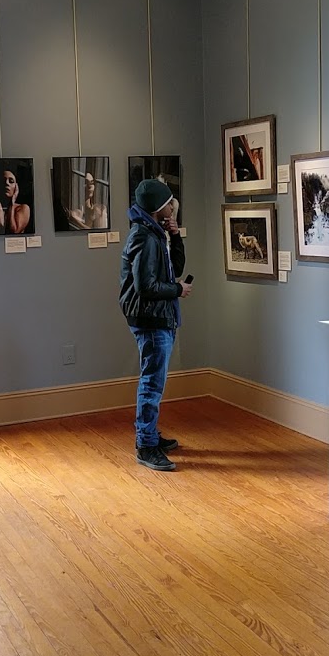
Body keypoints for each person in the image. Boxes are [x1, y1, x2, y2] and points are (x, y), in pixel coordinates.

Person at [120, 178, 193, 471]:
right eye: (168, 204)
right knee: (152, 382)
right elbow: (146, 286)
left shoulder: (154, 232)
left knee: (154, 380)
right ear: (157, 208)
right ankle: (146, 445)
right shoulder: (144, 237)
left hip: (158, 315)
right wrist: (178, 290)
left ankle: (149, 435)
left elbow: (176, 268)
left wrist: (175, 235)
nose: (172, 208)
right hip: (150, 318)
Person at [0, 168, 30, 234]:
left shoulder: (23, 208)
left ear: (16, 187)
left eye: (11, 181)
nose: (7, 183)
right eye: (3, 180)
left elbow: (14, 231)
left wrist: (12, 203)